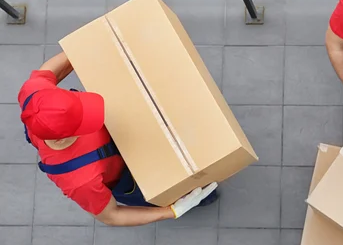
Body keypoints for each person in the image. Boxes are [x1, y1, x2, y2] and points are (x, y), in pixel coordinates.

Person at [18, 51, 219, 227]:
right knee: (194, 192)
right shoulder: (80, 181)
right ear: (63, 138)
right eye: (84, 119)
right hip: (132, 179)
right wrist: (172, 210)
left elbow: (49, 70)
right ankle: (200, 200)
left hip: (127, 136)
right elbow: (112, 216)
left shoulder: (35, 94)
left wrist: (82, 47)